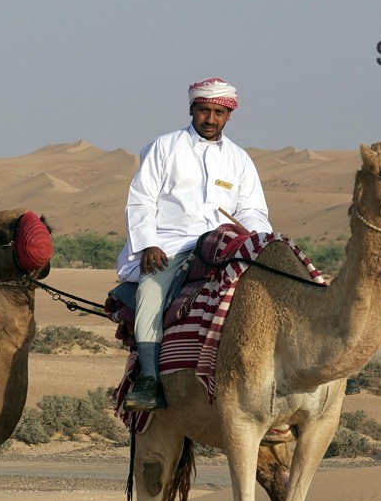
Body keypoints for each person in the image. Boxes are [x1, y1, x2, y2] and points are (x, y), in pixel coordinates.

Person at [115, 77, 271, 409]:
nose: (210, 119)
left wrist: (262, 241)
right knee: (150, 293)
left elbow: (253, 209)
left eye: (218, 112)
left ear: (228, 116)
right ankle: (149, 380)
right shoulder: (164, 147)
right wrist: (148, 244)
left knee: (275, 286)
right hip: (171, 245)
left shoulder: (239, 159)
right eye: (204, 111)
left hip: (224, 245)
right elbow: (141, 201)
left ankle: (319, 366)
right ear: (192, 109)